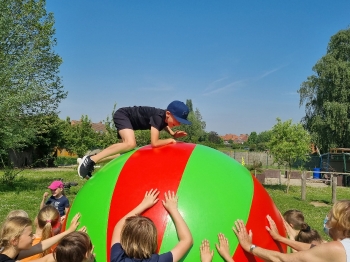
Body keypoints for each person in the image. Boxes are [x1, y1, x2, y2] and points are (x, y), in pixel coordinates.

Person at [78, 101, 192, 179]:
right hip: (123, 115)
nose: (178, 123)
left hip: (127, 119)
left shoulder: (163, 118)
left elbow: (162, 125)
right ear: (168, 114)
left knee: (124, 152)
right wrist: (171, 140)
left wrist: (173, 134)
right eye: (177, 120)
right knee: (130, 143)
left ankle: (90, 160)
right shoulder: (158, 117)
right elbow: (155, 143)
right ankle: (91, 159)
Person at [233, 199, 350, 262]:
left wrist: (250, 247)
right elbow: (314, 249)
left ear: (340, 224)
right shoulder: (343, 246)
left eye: (330, 217)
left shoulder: (336, 248)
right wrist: (281, 239)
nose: (327, 219)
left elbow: (282, 259)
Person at [110, 189, 193, 262]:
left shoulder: (117, 259)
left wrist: (143, 205)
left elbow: (119, 226)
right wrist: (173, 210)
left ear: (125, 239)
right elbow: (187, 240)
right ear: (153, 242)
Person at [0, 213, 81, 262]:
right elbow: (47, 260)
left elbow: (39, 246)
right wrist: (74, 247)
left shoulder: (7, 251)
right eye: (30, 235)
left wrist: (69, 231)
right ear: (14, 241)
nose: (33, 237)